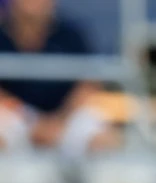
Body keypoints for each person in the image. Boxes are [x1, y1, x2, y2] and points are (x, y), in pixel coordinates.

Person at [0, 0, 119, 159]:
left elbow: (89, 84)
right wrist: (30, 120)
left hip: (65, 116)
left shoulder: (71, 35)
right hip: (14, 114)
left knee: (103, 140)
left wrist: (59, 121)